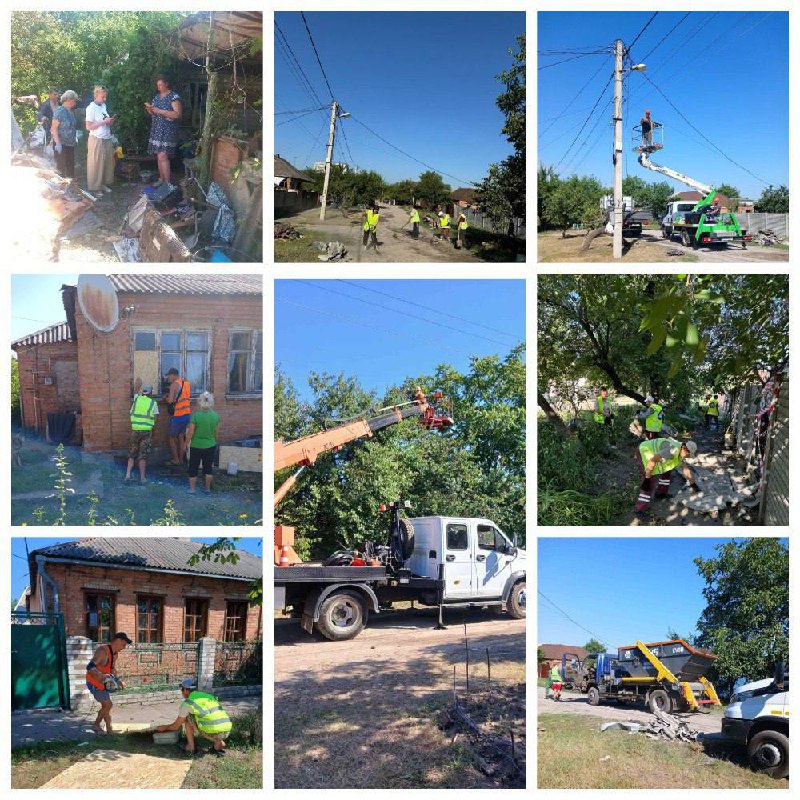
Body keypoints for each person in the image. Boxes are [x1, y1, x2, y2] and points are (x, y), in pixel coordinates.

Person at [155, 678, 232, 755]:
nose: (182, 692)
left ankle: (190, 747)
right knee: (207, 718)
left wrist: (164, 728)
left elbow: (176, 726)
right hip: (226, 730)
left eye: (182, 690)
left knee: (187, 718)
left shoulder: (188, 703)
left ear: (185, 690)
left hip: (211, 731)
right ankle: (219, 742)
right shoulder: (208, 696)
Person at [635, 437, 699, 517]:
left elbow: (685, 470)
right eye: (688, 455)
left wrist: (694, 485)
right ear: (684, 449)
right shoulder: (671, 451)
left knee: (667, 472)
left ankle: (660, 494)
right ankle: (639, 510)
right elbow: (652, 461)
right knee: (648, 484)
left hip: (657, 456)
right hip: (644, 452)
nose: (687, 457)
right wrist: (647, 478)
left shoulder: (680, 453)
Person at [85, 632, 131, 735]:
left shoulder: (115, 654)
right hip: (94, 682)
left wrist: (118, 681)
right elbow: (89, 667)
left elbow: (112, 670)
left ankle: (109, 729)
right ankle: (96, 725)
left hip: (103, 683)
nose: (124, 647)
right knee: (108, 705)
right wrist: (103, 677)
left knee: (107, 706)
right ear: (117, 641)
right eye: (123, 644)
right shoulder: (102, 651)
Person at [144, 75, 182, 186]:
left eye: (160, 84)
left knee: (163, 156)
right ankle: (161, 179)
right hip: (157, 128)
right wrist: (150, 110)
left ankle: (167, 183)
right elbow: (154, 113)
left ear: (166, 84)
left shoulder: (173, 96)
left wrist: (159, 110)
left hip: (168, 130)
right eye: (157, 85)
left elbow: (177, 114)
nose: (158, 87)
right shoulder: (156, 97)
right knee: (158, 155)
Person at [186, 391, 220, 495]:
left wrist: (185, 443)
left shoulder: (196, 416)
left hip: (196, 445)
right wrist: (215, 442)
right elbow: (216, 432)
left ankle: (192, 489)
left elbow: (190, 432)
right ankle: (207, 489)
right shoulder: (215, 416)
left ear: (199, 402)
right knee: (208, 468)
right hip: (210, 445)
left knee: (193, 467)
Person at [85, 84, 116, 194]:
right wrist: (104, 122)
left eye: (105, 97)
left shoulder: (103, 106)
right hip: (96, 139)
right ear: (96, 95)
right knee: (96, 163)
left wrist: (109, 121)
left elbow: (103, 120)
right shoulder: (90, 108)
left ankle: (102, 184)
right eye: (103, 97)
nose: (105, 99)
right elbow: (88, 127)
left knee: (107, 162)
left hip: (106, 137)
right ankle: (95, 188)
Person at [126, 384, 158, 484]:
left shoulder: (136, 400)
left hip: (135, 430)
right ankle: (142, 478)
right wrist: (153, 431)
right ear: (151, 393)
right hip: (146, 431)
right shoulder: (153, 403)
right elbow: (155, 418)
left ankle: (127, 475)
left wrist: (138, 383)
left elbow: (135, 392)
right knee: (142, 455)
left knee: (132, 453)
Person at [164, 368, 191, 465]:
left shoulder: (174, 385)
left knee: (171, 437)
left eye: (169, 376)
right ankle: (181, 459)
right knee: (181, 436)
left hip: (178, 415)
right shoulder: (186, 383)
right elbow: (183, 397)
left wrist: (166, 397)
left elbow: (171, 401)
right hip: (187, 414)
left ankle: (176, 460)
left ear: (173, 375)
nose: (168, 378)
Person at [51, 90, 78, 180]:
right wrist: (58, 143)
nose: (75, 103)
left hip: (70, 144)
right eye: (75, 100)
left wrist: (76, 137)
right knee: (61, 169)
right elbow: (54, 128)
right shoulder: (59, 111)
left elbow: (72, 126)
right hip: (61, 144)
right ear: (69, 100)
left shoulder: (70, 112)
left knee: (70, 166)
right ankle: (59, 190)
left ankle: (71, 187)